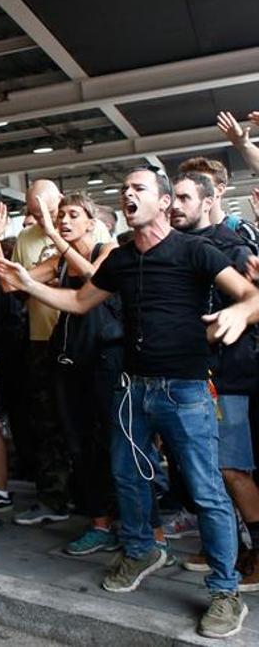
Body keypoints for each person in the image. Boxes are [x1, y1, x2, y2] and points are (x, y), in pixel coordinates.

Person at [0, 166, 259, 639]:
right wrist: (28, 284)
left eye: (139, 188)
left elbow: (251, 297)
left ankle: (225, 591)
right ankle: (142, 551)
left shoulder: (196, 250)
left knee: (206, 491)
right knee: (127, 478)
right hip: (131, 389)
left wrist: (239, 310)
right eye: (124, 189)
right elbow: (78, 303)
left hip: (187, 390)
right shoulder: (117, 260)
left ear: (162, 202)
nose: (128, 194)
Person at [168, 171, 259, 590]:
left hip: (231, 375)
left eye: (184, 198)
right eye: (173, 198)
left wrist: (231, 318)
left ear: (207, 202)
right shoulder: (179, 248)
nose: (175, 206)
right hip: (192, 375)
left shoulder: (232, 248)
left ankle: (256, 552)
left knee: (231, 468)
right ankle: (227, 546)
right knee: (204, 470)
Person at [9, 178, 110, 526]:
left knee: (103, 431)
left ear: (89, 222)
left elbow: (95, 281)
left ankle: (114, 511)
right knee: (60, 426)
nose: (58, 221)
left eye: (68, 214)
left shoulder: (103, 247)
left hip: (98, 352)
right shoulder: (48, 255)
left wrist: (54, 237)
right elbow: (16, 282)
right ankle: (73, 502)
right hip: (53, 345)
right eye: (56, 217)